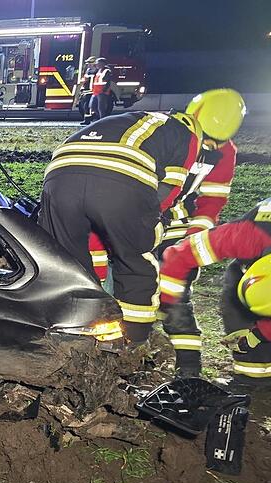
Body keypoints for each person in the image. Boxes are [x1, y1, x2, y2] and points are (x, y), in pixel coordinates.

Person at [87, 90, 247, 372]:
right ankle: (123, 348)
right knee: (126, 287)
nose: (207, 146)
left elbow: (212, 200)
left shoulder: (224, 152)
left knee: (173, 297)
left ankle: (187, 368)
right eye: (206, 138)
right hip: (139, 219)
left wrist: (192, 238)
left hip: (176, 227)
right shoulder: (170, 134)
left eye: (214, 142)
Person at [39, 109, 205, 344]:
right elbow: (170, 188)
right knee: (135, 261)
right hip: (120, 178)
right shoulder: (187, 135)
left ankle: (72, 331)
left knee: (67, 262)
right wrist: (150, 222)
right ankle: (133, 341)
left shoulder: (127, 119)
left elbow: (93, 232)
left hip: (59, 176)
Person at [159, 195, 271, 441]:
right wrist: (171, 305)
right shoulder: (246, 236)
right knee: (234, 299)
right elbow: (179, 256)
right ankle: (253, 379)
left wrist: (262, 332)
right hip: (270, 231)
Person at [89, 57, 113, 122]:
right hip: (96, 91)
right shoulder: (98, 70)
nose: (96, 64)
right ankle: (100, 118)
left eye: (97, 63)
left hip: (102, 92)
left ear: (102, 64)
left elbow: (108, 82)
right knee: (92, 106)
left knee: (101, 108)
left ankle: (103, 120)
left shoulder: (106, 71)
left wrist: (104, 90)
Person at [77, 56, 98, 125]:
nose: (88, 64)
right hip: (86, 90)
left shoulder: (96, 70)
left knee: (91, 106)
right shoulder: (88, 70)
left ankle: (94, 119)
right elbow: (85, 80)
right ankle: (87, 120)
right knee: (84, 106)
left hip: (93, 91)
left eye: (89, 63)